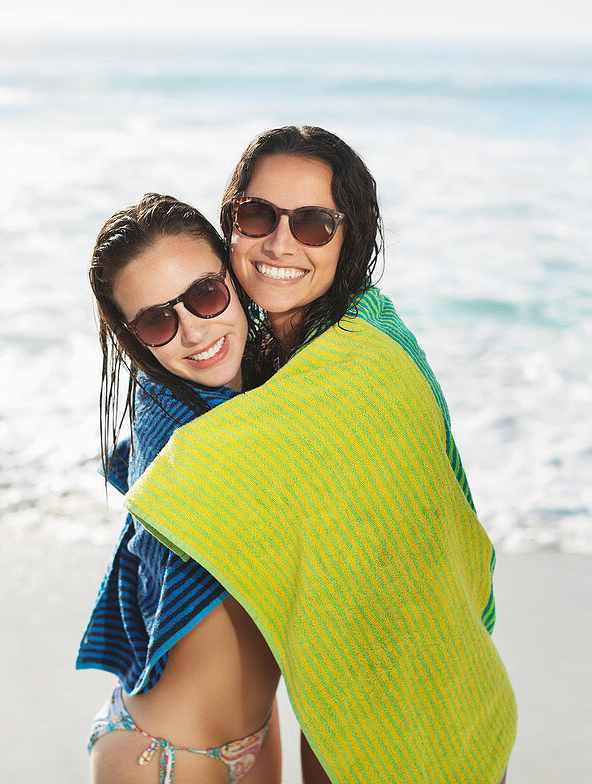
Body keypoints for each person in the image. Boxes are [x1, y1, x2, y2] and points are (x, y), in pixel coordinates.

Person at [125, 127, 517, 784]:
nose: (280, 243)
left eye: (313, 223)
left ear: (350, 237)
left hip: (435, 700)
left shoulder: (369, 359)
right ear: (231, 226)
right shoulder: (227, 352)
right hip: (333, 713)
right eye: (257, 217)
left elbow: (186, 471)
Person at [76, 194, 282, 784]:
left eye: (205, 294)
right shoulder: (176, 425)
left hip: (255, 732)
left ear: (236, 277)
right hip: (162, 757)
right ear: (136, 341)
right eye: (158, 321)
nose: (194, 331)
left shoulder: (269, 397)